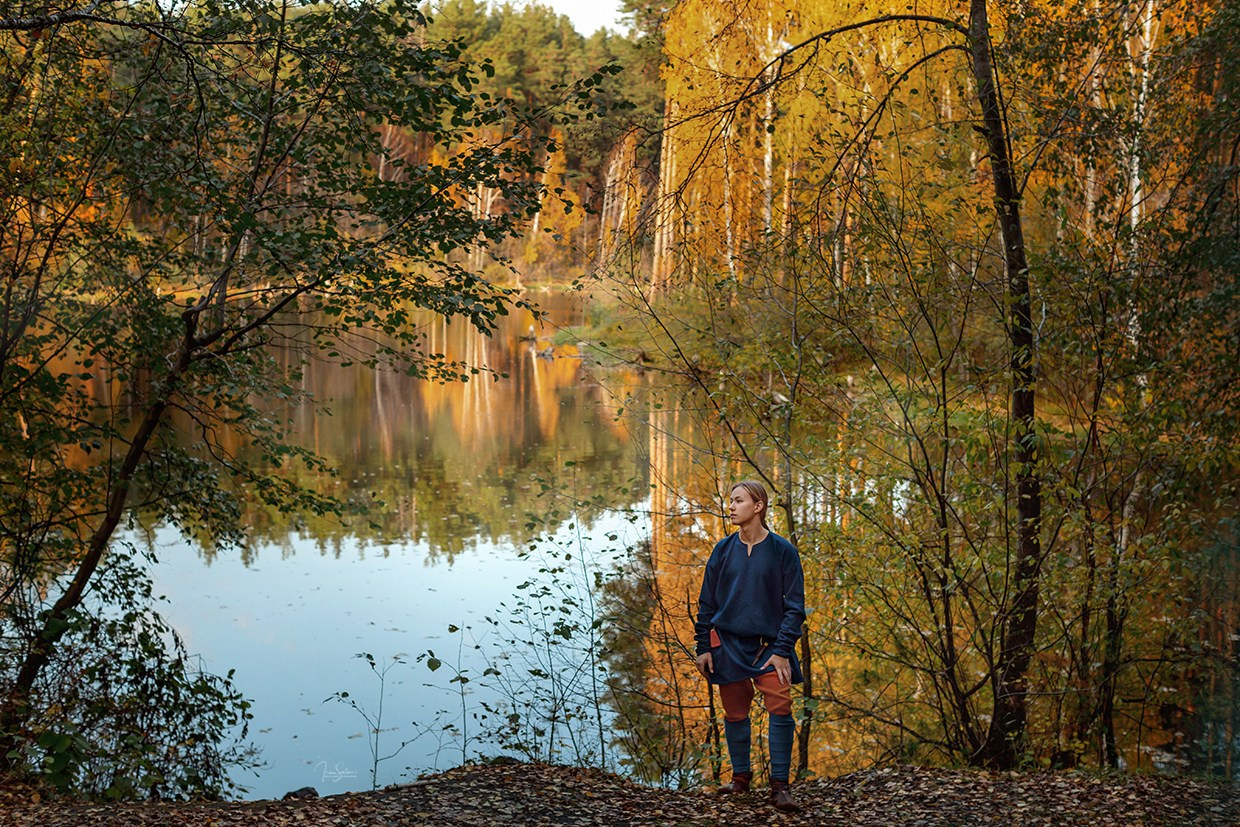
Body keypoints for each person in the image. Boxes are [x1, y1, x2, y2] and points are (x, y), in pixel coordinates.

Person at [694, 480, 806, 814]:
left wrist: (782, 649)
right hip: (727, 646)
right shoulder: (722, 550)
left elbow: (795, 607)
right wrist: (704, 647)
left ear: (758, 506)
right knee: (735, 714)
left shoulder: (782, 551)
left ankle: (780, 787)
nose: (730, 506)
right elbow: (707, 604)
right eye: (731, 501)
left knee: (781, 710)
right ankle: (740, 779)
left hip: (770, 647)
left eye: (738, 501)